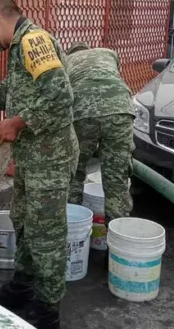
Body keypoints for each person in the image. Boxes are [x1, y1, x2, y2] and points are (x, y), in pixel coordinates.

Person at [0, 0, 78, 329]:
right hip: (31, 157)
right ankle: (23, 287)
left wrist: (18, 122)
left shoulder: (32, 41)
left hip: (50, 159)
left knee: (47, 236)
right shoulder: (19, 47)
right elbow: (18, 90)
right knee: (23, 222)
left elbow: (60, 97)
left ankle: (47, 310)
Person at [63, 43, 135, 240]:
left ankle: (74, 233)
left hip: (83, 113)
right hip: (121, 111)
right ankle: (117, 245)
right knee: (116, 180)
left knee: (75, 173)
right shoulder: (108, 53)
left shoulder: (65, 61)